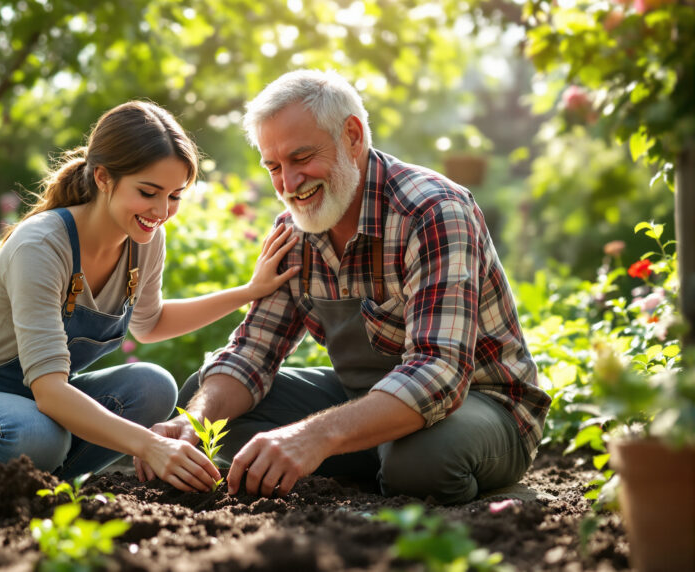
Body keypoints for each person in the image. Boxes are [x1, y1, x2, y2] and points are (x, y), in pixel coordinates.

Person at [137, 70, 551, 505]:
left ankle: (389, 464)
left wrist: (315, 435)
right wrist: (196, 420)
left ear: (352, 136)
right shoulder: (294, 232)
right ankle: (376, 456)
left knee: (425, 462)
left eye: (302, 158)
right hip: (365, 401)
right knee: (205, 407)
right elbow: (253, 351)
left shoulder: (432, 211)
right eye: (274, 167)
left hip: (479, 402)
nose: (289, 184)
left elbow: (439, 374)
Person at [0, 101, 299, 491]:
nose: (161, 210)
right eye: (148, 192)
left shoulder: (144, 240)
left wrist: (250, 292)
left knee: (153, 386)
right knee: (36, 433)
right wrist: (151, 447)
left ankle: (39, 482)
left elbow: (150, 325)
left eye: (175, 196)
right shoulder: (42, 245)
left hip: (37, 408)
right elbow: (50, 393)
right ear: (102, 177)